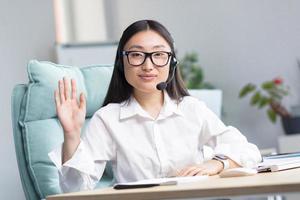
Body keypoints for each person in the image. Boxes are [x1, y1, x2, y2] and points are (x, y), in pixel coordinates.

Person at [49, 19, 261, 192]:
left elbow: (248, 150)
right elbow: (74, 189)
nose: (148, 65)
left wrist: (214, 164)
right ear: (122, 62)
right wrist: (72, 135)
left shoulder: (191, 109)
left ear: (172, 62)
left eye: (159, 54)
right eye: (136, 55)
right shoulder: (108, 118)